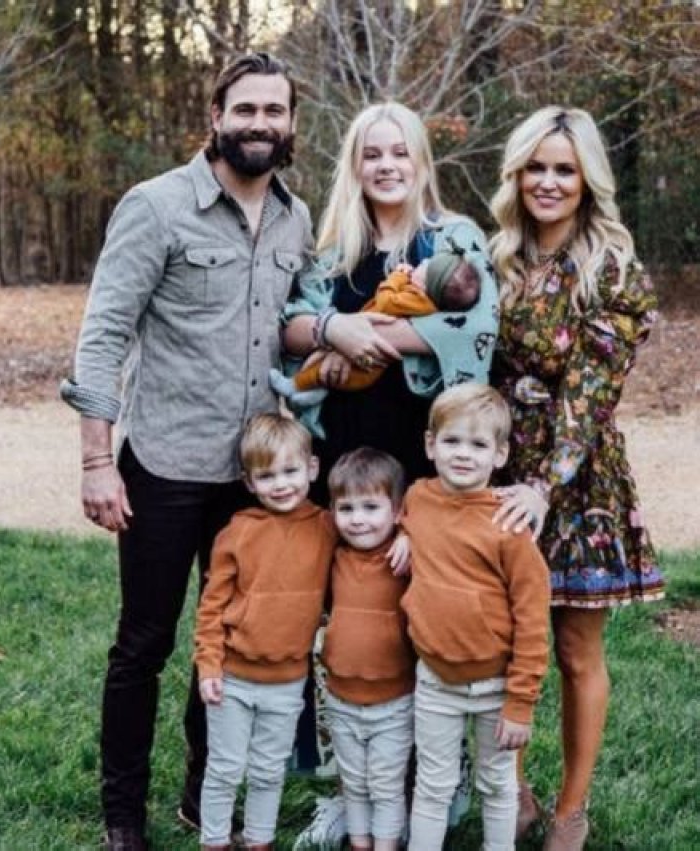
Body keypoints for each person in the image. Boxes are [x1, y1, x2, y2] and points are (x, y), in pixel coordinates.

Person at [59, 52, 312, 851]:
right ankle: (123, 814)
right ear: (216, 115)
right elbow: (102, 336)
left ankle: (205, 799)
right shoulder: (156, 206)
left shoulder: (296, 219)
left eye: (274, 111)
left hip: (254, 478)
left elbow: (293, 330)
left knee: (234, 641)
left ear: (292, 123)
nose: (260, 124)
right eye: (246, 109)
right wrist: (97, 461)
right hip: (164, 468)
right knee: (145, 644)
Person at [282, 101, 498, 845]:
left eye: (399, 152)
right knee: (349, 621)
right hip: (343, 465)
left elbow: (479, 323)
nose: (386, 165)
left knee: (420, 615)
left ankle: (435, 781)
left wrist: (372, 335)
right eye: (371, 153)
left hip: (422, 459)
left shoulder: (453, 238)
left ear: (420, 161)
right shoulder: (332, 251)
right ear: (355, 164)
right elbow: (289, 327)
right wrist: (330, 330)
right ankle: (354, 787)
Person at [489, 106, 665, 850]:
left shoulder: (612, 267)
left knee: (572, 648)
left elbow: (591, 390)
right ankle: (513, 794)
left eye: (564, 169)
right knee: (502, 639)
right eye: (535, 167)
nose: (548, 182)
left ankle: (570, 810)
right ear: (516, 174)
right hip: (500, 466)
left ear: (587, 178)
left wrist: (544, 484)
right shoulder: (498, 257)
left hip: (578, 475)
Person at [399, 383, 550, 851]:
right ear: (430, 445)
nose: (463, 454)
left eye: (478, 444)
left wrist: (521, 702)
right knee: (433, 784)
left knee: (497, 784)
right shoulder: (418, 499)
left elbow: (532, 621)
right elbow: (417, 519)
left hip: (495, 686)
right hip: (434, 680)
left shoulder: (508, 525)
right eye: (452, 441)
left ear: (500, 455)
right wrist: (404, 533)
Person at [194, 414, 336, 851]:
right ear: (249, 482)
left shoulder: (327, 527)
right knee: (224, 768)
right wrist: (208, 665)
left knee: (269, 770)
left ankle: (259, 840)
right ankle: (215, 841)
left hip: (288, 680)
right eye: (267, 476)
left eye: (290, 471)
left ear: (312, 469)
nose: (281, 484)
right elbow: (211, 606)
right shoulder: (237, 532)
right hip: (232, 678)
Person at [320, 448, 415, 851]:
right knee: (354, 782)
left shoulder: (405, 559)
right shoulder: (334, 556)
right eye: (347, 508)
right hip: (341, 697)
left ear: (397, 511)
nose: (358, 519)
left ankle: (386, 844)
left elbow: (440, 524)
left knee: (386, 785)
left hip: (393, 702)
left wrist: (411, 534)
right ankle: (360, 842)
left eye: (371, 507)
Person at [270, 246, 480, 415]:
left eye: (427, 265)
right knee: (324, 370)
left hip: (368, 372)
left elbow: (385, 300)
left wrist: (397, 277)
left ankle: (293, 385)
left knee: (323, 372)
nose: (423, 261)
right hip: (343, 414)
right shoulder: (336, 248)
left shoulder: (418, 298)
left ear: (425, 284)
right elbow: (288, 329)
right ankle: (312, 391)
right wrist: (332, 330)